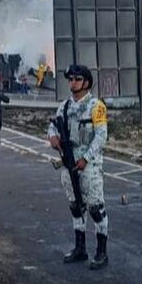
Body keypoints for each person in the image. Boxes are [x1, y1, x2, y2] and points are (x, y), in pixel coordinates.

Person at [47, 64, 109, 270]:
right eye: (70, 79)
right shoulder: (64, 106)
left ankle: (101, 252)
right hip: (69, 162)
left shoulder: (96, 106)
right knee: (75, 207)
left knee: (95, 208)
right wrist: (53, 137)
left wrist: (86, 159)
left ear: (87, 82)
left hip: (89, 165)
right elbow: (53, 126)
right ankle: (80, 248)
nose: (72, 83)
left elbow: (101, 136)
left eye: (77, 79)